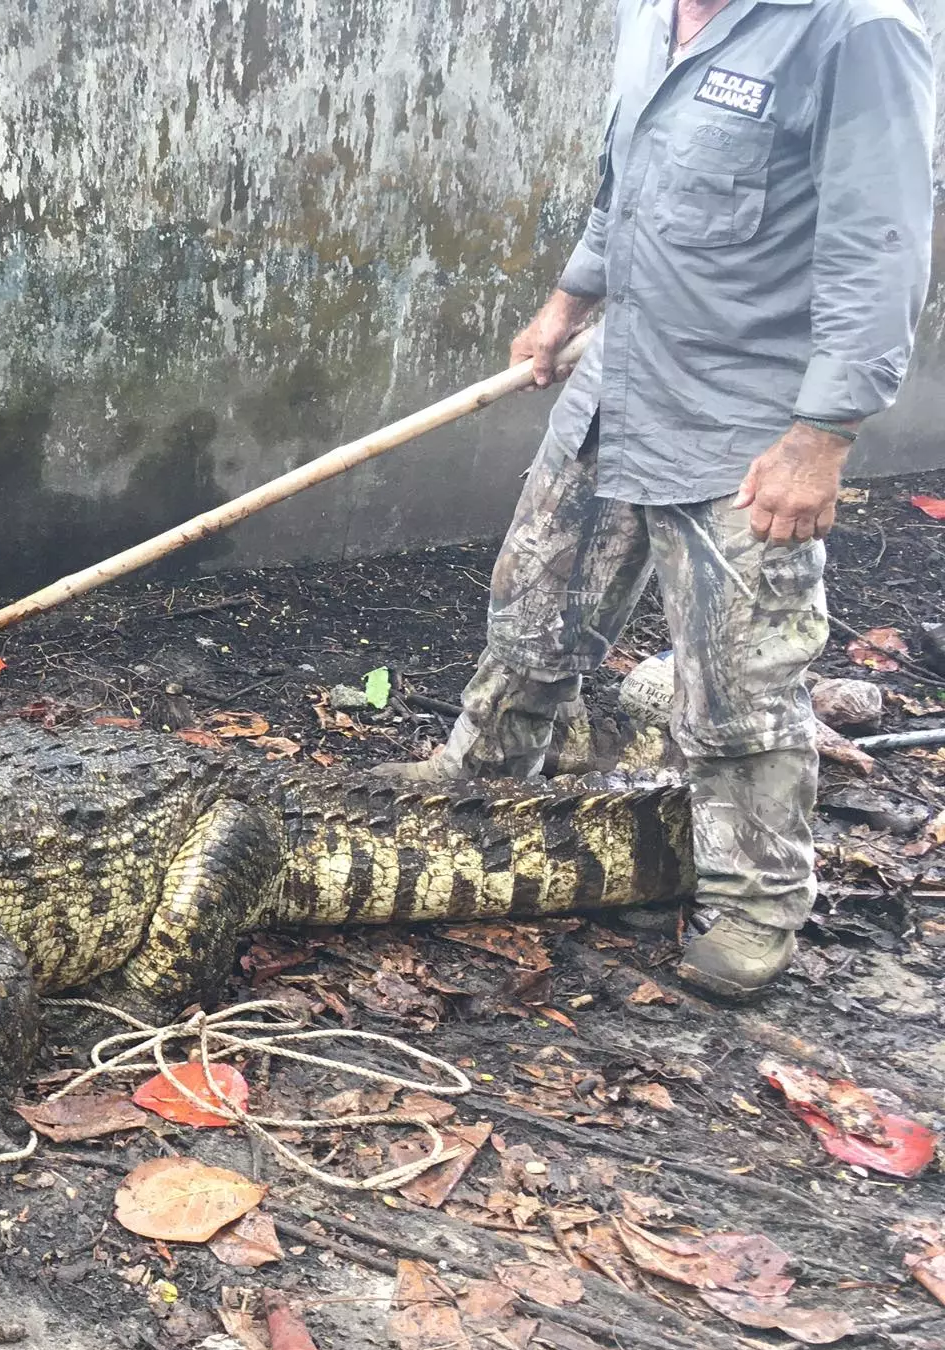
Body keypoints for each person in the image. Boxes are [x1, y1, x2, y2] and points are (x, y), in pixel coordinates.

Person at [377, 0, 936, 999]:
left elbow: (879, 243)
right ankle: (483, 777)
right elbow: (624, 179)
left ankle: (755, 902)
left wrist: (821, 436)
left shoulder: (855, 30)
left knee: (736, 680)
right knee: (534, 601)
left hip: (745, 421)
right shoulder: (651, 10)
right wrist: (566, 301)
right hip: (619, 378)